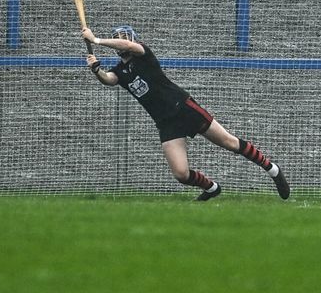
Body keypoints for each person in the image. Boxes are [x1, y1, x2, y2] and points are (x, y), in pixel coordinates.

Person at [81, 25, 290, 201]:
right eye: (117, 38)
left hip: (183, 107)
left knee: (229, 142)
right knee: (181, 174)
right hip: (165, 122)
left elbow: (128, 46)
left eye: (123, 37)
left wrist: (96, 40)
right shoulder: (119, 71)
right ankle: (212, 188)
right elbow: (108, 80)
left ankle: (272, 169)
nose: (121, 41)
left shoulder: (143, 53)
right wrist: (96, 69)